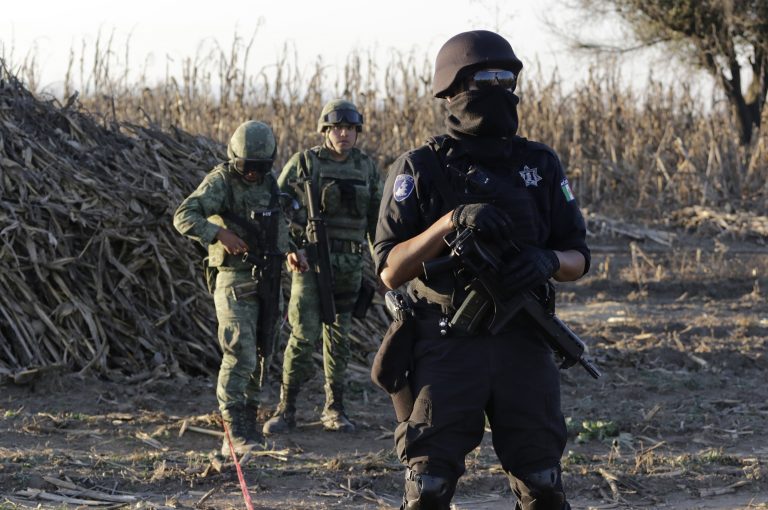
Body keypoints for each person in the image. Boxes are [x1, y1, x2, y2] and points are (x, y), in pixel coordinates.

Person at [373, 30, 590, 510]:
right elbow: (390, 271)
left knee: (542, 482)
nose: (497, 88)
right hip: (446, 343)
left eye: (506, 78)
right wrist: (451, 222)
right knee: (428, 487)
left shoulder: (539, 164)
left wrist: (548, 260)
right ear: (451, 88)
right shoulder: (420, 168)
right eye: (483, 79)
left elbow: (578, 257)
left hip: (523, 338)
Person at [173, 120, 293, 457]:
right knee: (239, 350)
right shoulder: (221, 181)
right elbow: (184, 215)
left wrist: (294, 251)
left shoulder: (270, 183)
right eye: (246, 169)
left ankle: (249, 424)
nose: (252, 175)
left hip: (269, 278)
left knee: (261, 353)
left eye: (259, 168)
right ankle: (233, 427)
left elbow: (279, 227)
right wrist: (218, 234)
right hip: (234, 279)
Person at [262, 99, 381, 435]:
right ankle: (286, 409)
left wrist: (382, 264)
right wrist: (290, 249)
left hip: (350, 265)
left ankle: (335, 408)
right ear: (326, 131)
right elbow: (276, 207)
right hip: (311, 263)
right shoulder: (305, 163)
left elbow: (377, 221)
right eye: (336, 128)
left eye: (349, 129)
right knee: (303, 335)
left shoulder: (367, 168)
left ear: (357, 132)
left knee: (340, 339)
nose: (343, 134)